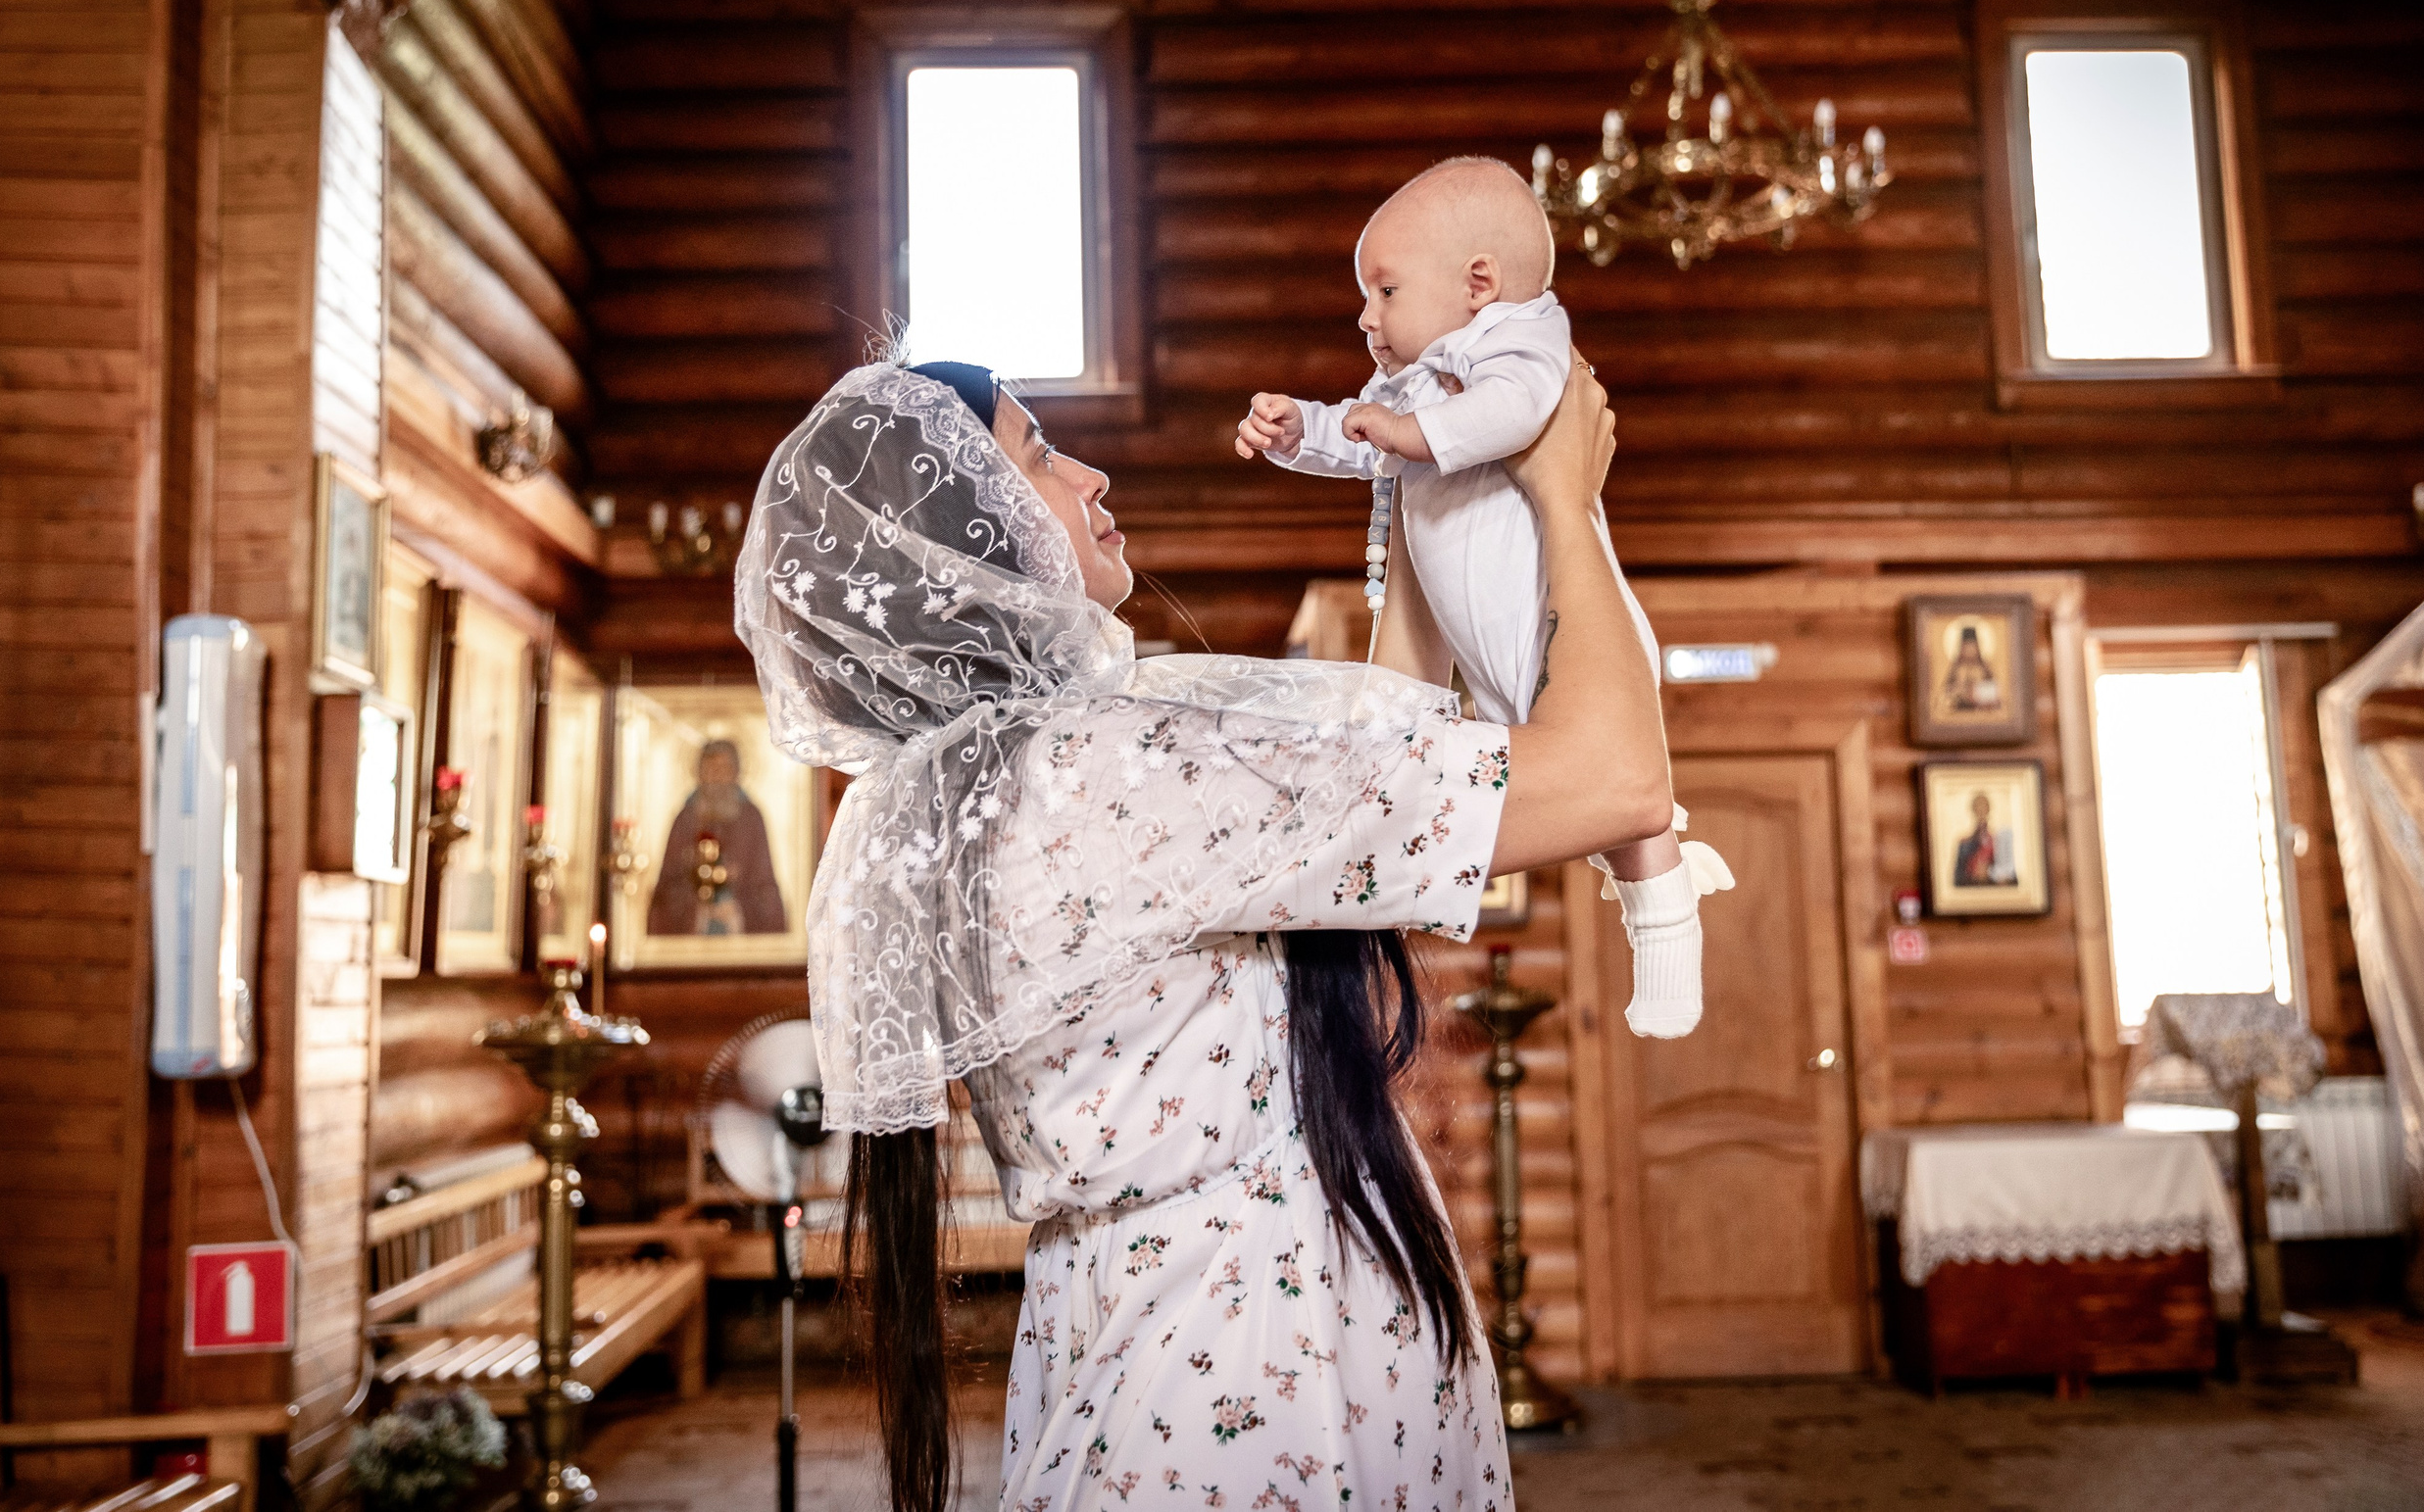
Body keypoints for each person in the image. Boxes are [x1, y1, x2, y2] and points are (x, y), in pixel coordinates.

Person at [736, 354, 1669, 1512]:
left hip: (1145, 1322)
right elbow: (1620, 783)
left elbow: (1358, 789)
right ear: (965, 534)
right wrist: (1566, 499)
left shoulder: (974, 791)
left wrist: (1415, 496)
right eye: (1038, 454)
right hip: (1259, 1346)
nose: (1091, 471)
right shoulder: (1105, 770)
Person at [1232, 156, 1725, 1039]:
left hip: (1552, 627)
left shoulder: (1523, 341)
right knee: (1564, 798)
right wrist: (1296, 430)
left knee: (1629, 814)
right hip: (1477, 651)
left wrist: (1408, 432)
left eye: (1383, 291)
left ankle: (1665, 928)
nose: (1365, 315)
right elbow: (1362, 436)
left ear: (1479, 285)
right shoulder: (1416, 382)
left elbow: (1513, 415)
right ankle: (1653, 895)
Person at [644, 738, 789, 936]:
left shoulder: (751, 818)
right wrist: (698, 907)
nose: (717, 776)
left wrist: (737, 907)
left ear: (736, 773)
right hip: (693, 930)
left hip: (739, 924)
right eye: (711, 769)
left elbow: (763, 884)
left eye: (724, 769)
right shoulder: (685, 819)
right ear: (699, 773)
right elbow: (668, 886)